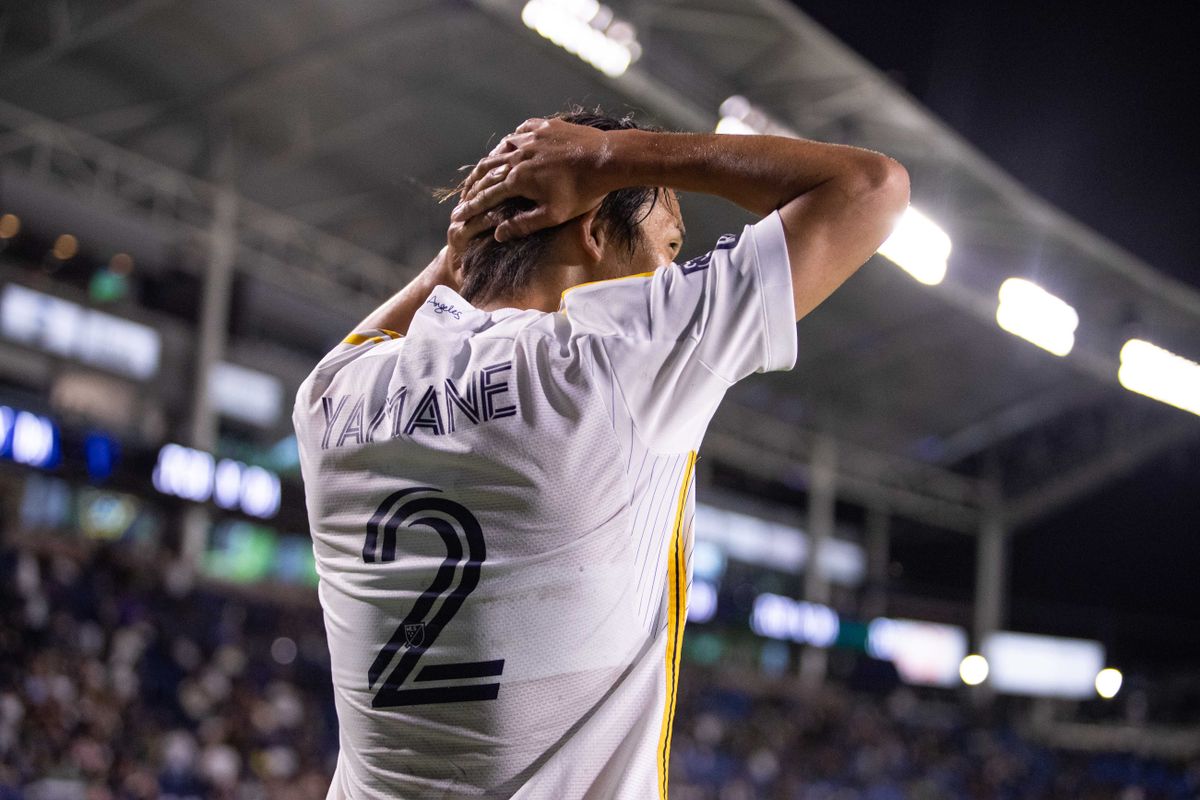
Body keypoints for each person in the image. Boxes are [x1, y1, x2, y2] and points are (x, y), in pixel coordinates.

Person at [293, 108, 908, 799]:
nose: (669, 270)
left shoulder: (333, 396)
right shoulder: (609, 360)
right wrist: (610, 158)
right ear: (592, 230)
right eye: (668, 246)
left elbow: (434, 294)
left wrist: (475, 238)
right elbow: (870, 187)